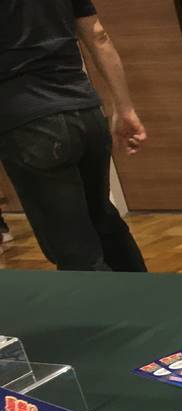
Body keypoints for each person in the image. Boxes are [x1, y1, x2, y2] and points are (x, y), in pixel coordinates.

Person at [0, 1, 148, 272]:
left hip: (29, 126)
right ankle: (147, 297)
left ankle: (103, 302)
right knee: (104, 223)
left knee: (75, 250)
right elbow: (98, 36)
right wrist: (125, 108)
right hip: (86, 113)